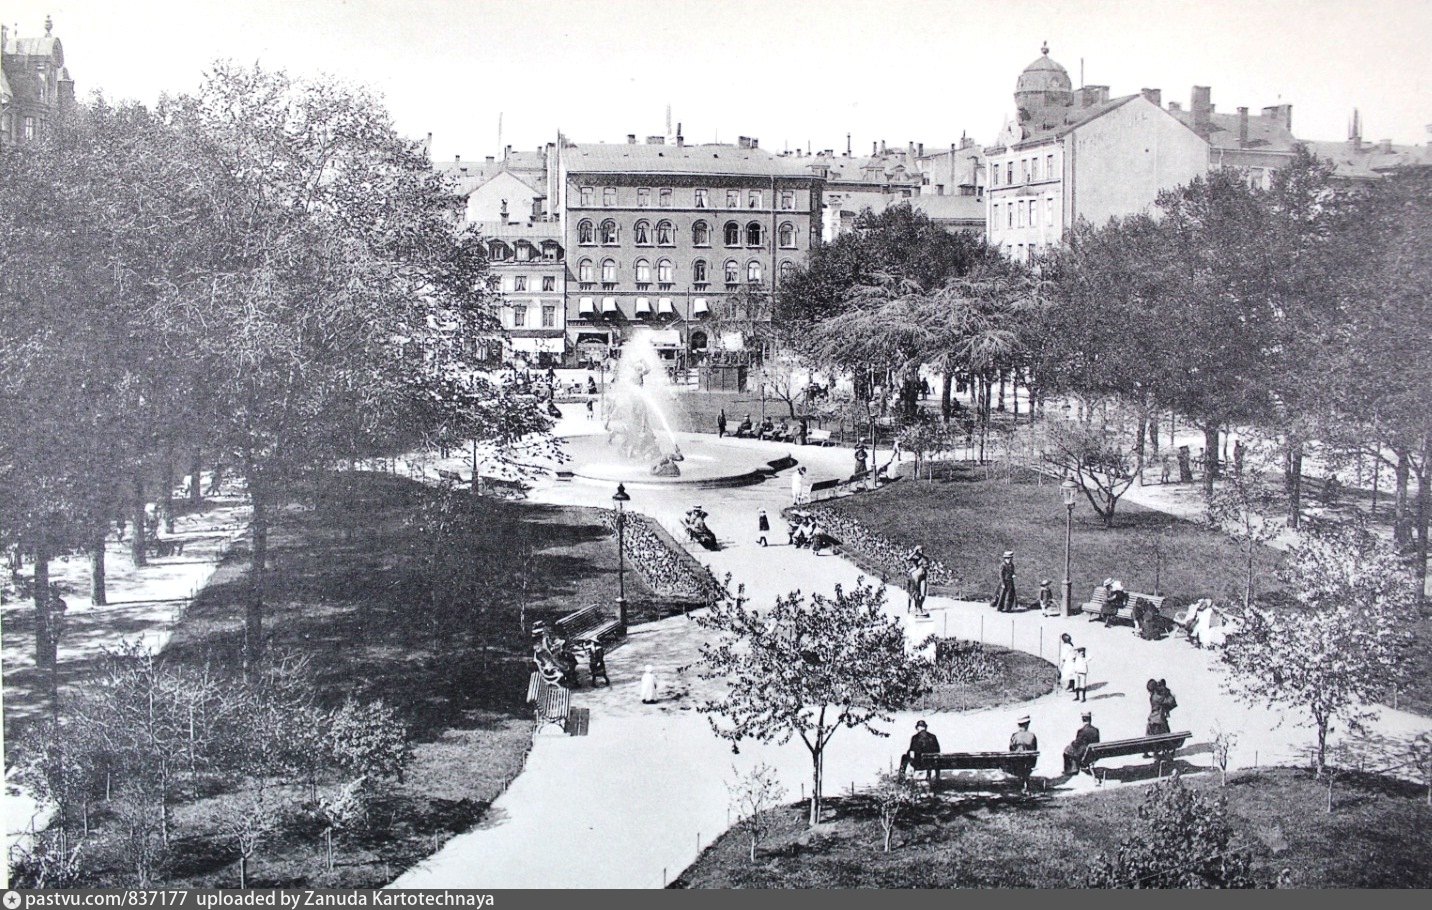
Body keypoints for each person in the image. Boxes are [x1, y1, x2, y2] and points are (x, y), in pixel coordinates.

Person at [906, 547, 929, 616]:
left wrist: (924, 566)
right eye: (920, 550)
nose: (922, 551)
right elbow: (908, 558)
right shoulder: (915, 558)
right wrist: (914, 552)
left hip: (923, 577)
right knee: (915, 594)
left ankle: (920, 606)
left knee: (923, 594)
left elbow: (927, 566)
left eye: (922, 550)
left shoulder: (925, 558)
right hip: (915, 578)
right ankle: (917, 607)